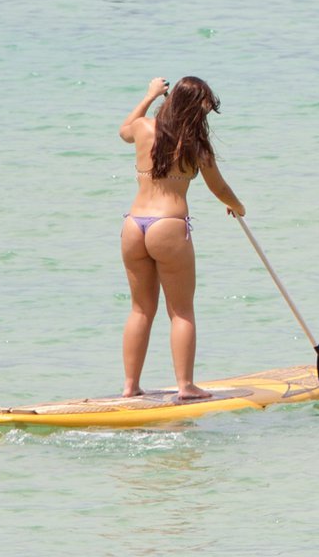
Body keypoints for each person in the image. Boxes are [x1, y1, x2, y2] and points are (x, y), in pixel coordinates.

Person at [117, 76, 244, 400]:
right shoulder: (196, 146)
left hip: (133, 225)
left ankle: (130, 386)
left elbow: (124, 130)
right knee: (182, 312)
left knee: (140, 310)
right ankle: (186, 386)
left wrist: (148, 96)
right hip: (168, 227)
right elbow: (220, 188)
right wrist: (237, 206)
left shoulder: (144, 128)